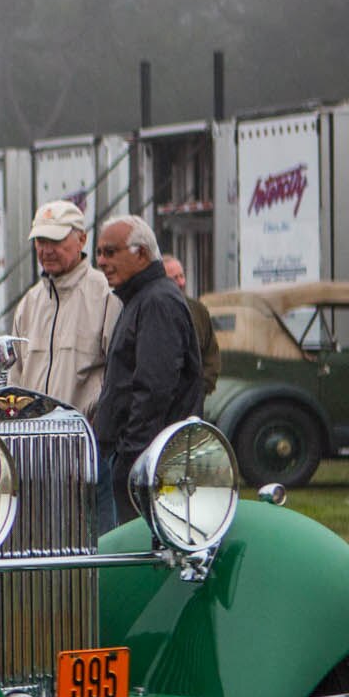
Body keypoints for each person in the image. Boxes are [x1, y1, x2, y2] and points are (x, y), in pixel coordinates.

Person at [91, 215, 203, 529]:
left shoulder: (157, 302)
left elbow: (153, 388)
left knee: (130, 557)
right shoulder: (139, 299)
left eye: (111, 252)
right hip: (134, 457)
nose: (102, 261)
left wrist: (131, 461)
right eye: (99, 253)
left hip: (146, 464)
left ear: (141, 254)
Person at [9, 202, 115, 417]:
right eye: (41, 241)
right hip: (32, 440)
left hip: (87, 439)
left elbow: (121, 377)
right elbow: (14, 379)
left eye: (56, 240)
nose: (47, 250)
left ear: (82, 240)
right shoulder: (29, 303)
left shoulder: (106, 295)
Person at [162, 253, 219, 405]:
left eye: (182, 276)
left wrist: (201, 388)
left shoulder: (198, 311)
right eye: (174, 278)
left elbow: (211, 353)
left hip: (193, 402)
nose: (181, 282)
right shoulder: (154, 312)